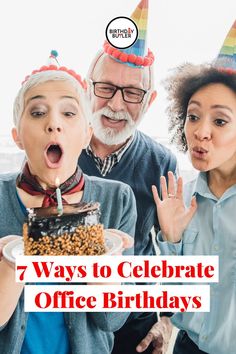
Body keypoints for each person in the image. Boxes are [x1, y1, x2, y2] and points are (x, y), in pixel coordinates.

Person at [0, 52, 137, 354]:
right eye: (37, 113)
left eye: (69, 113)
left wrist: (104, 260)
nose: (53, 124)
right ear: (17, 136)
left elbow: (111, 319)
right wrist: (12, 265)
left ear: (87, 134)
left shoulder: (118, 199)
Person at [78, 1, 176, 353]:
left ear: (148, 101)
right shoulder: (56, 148)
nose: (117, 105)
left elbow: (170, 247)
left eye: (132, 93)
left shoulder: (162, 162)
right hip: (70, 317)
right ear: (89, 87)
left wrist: (165, 316)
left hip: (133, 325)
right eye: (106, 87)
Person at [153, 20, 236, 354]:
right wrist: (170, 241)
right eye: (193, 116)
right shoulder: (181, 198)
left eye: (220, 121)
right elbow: (172, 304)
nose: (201, 132)